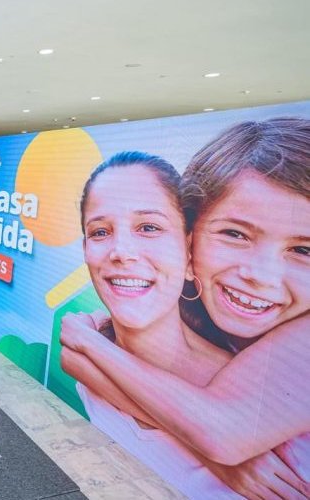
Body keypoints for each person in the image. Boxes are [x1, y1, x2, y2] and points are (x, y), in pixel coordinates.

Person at [60, 124, 310, 497]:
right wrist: (81, 350)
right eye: (235, 234)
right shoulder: (179, 328)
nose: (260, 276)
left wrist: (86, 345)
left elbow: (222, 434)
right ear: (189, 245)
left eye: (303, 251)